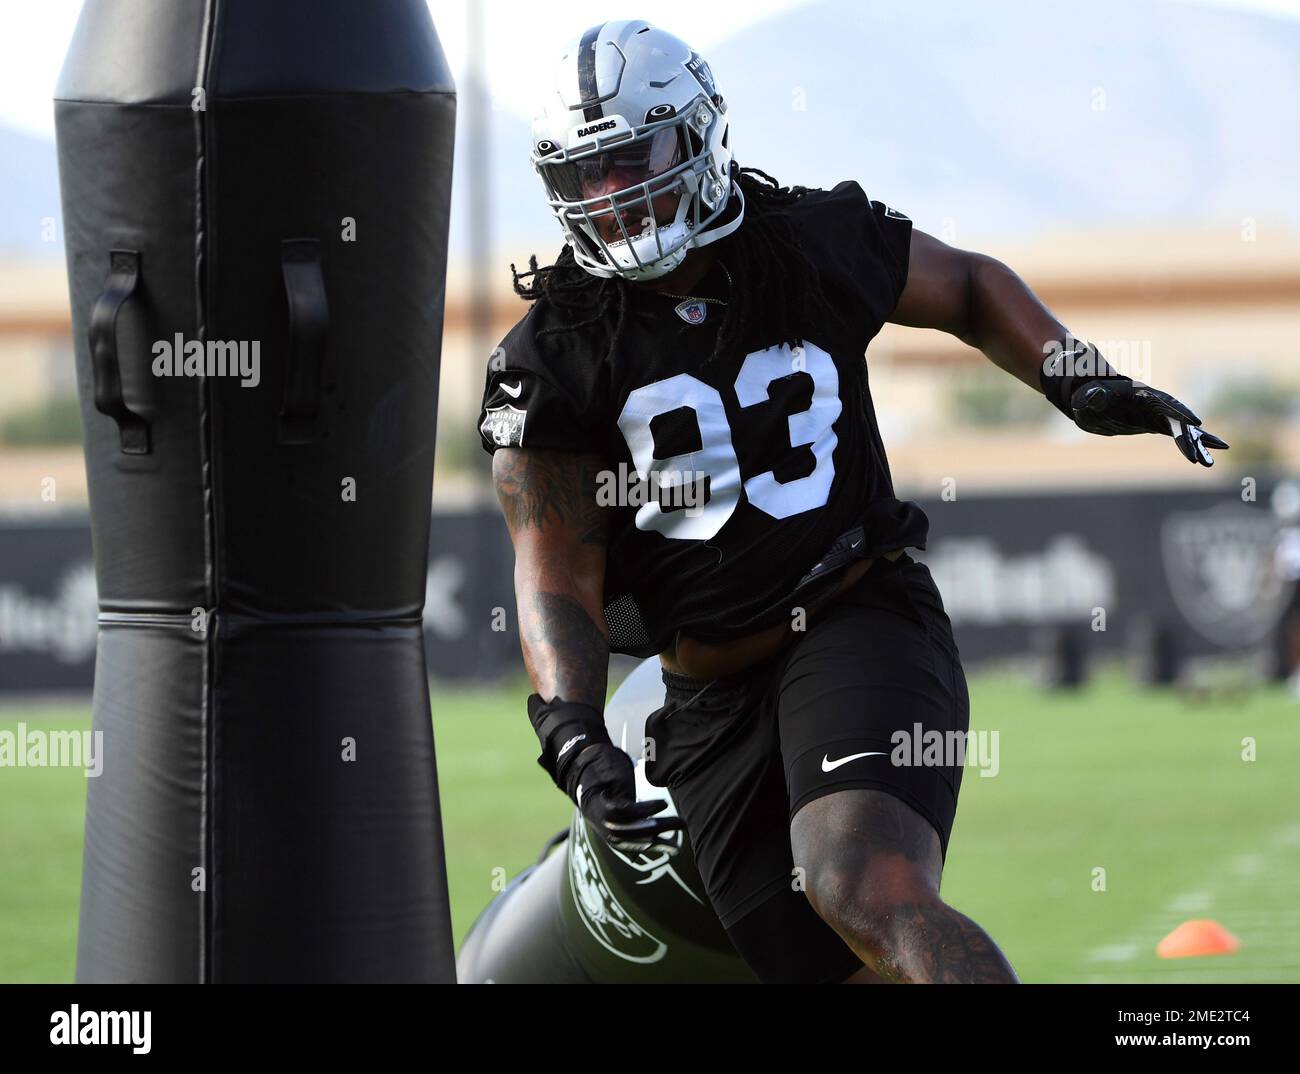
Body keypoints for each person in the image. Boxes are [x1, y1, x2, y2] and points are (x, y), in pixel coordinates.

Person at [477, 19, 1228, 983]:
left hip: (851, 612)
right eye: (589, 174)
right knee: (827, 966)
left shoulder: (807, 240)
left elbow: (965, 284)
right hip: (702, 693)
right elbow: (555, 572)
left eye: (633, 158)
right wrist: (573, 727)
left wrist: (1075, 376)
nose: (613, 195)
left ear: (697, 132)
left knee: (859, 883)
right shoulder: (550, 356)